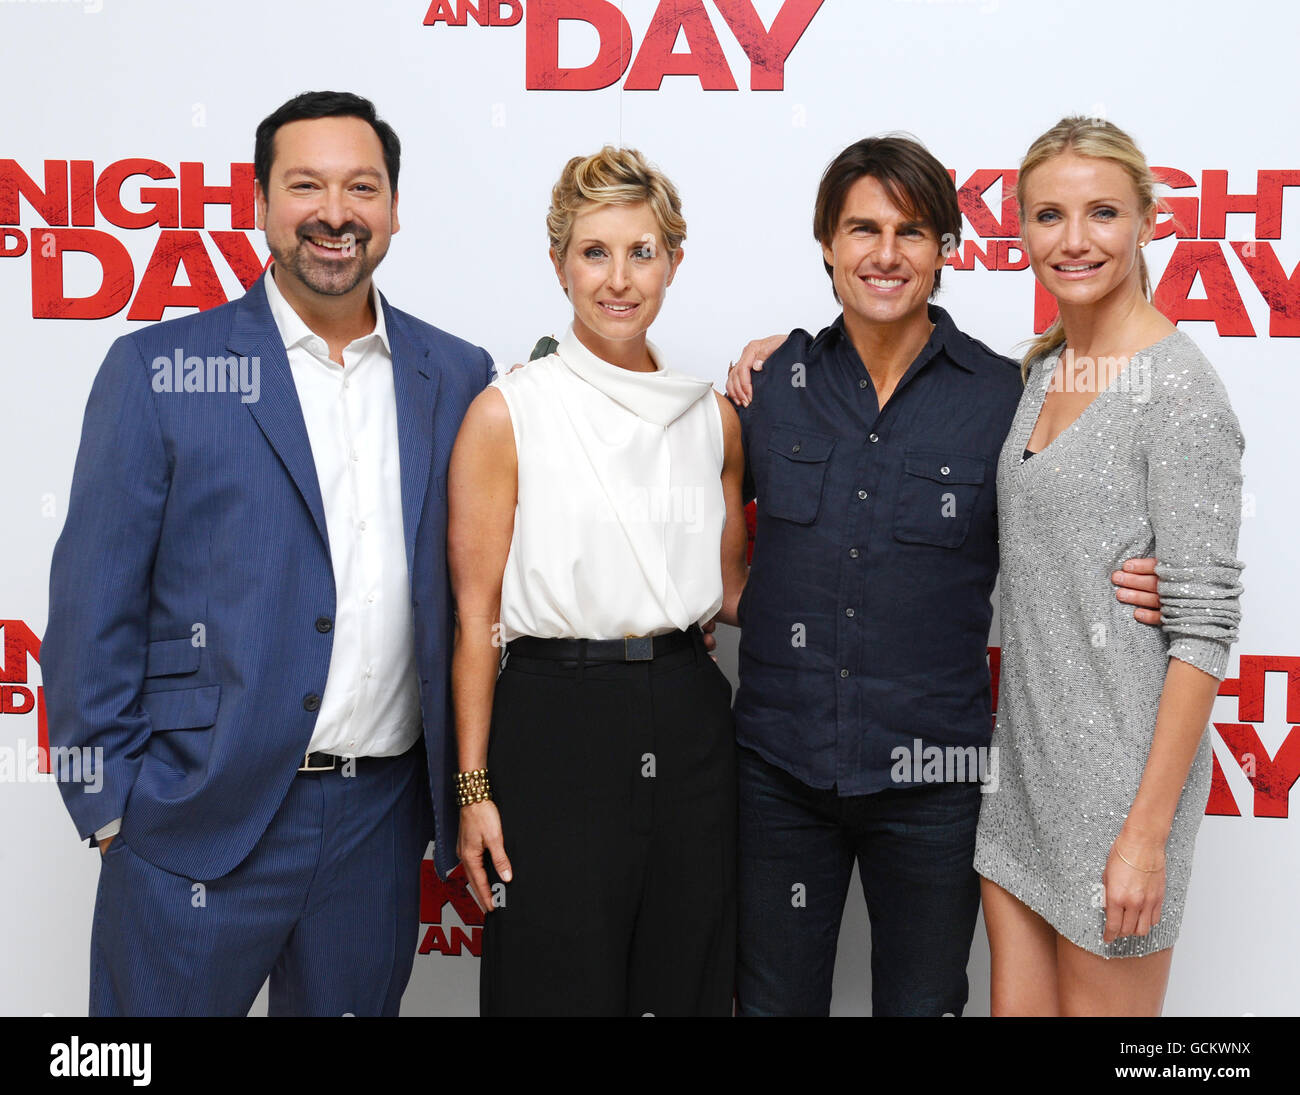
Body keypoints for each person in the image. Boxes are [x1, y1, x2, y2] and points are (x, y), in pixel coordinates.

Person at [43, 91, 493, 1016]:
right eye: (306, 186)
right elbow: (93, 607)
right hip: (192, 822)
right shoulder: (161, 369)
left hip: (376, 824)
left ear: (395, 209)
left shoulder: (456, 374)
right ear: (258, 205)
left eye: (362, 187)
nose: (336, 212)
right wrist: (110, 811)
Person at [723, 134, 1163, 1016]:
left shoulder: (1008, 398)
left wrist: (1149, 581)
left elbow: (1061, 542)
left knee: (925, 1008)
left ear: (947, 249)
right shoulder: (771, 385)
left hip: (936, 777)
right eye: (862, 230)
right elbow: (718, 561)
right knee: (771, 1006)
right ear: (827, 244)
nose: (886, 255)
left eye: (913, 232)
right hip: (780, 770)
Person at [448, 146, 749, 1016]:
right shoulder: (508, 411)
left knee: (686, 979)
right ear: (559, 265)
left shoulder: (712, 417)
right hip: (553, 723)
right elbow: (476, 622)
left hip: (690, 715)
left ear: (674, 263)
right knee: (553, 984)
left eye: (642, 252)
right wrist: (474, 791)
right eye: (594, 252)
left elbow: (731, 592)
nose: (619, 279)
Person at [972, 117, 1244, 1016]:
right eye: (1050, 215)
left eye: (1102, 213)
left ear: (1146, 222)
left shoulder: (1177, 389)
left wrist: (1145, 836)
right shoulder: (1045, 369)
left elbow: (1203, 632)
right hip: (1023, 774)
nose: (1075, 239)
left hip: (1118, 790)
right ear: (1021, 228)